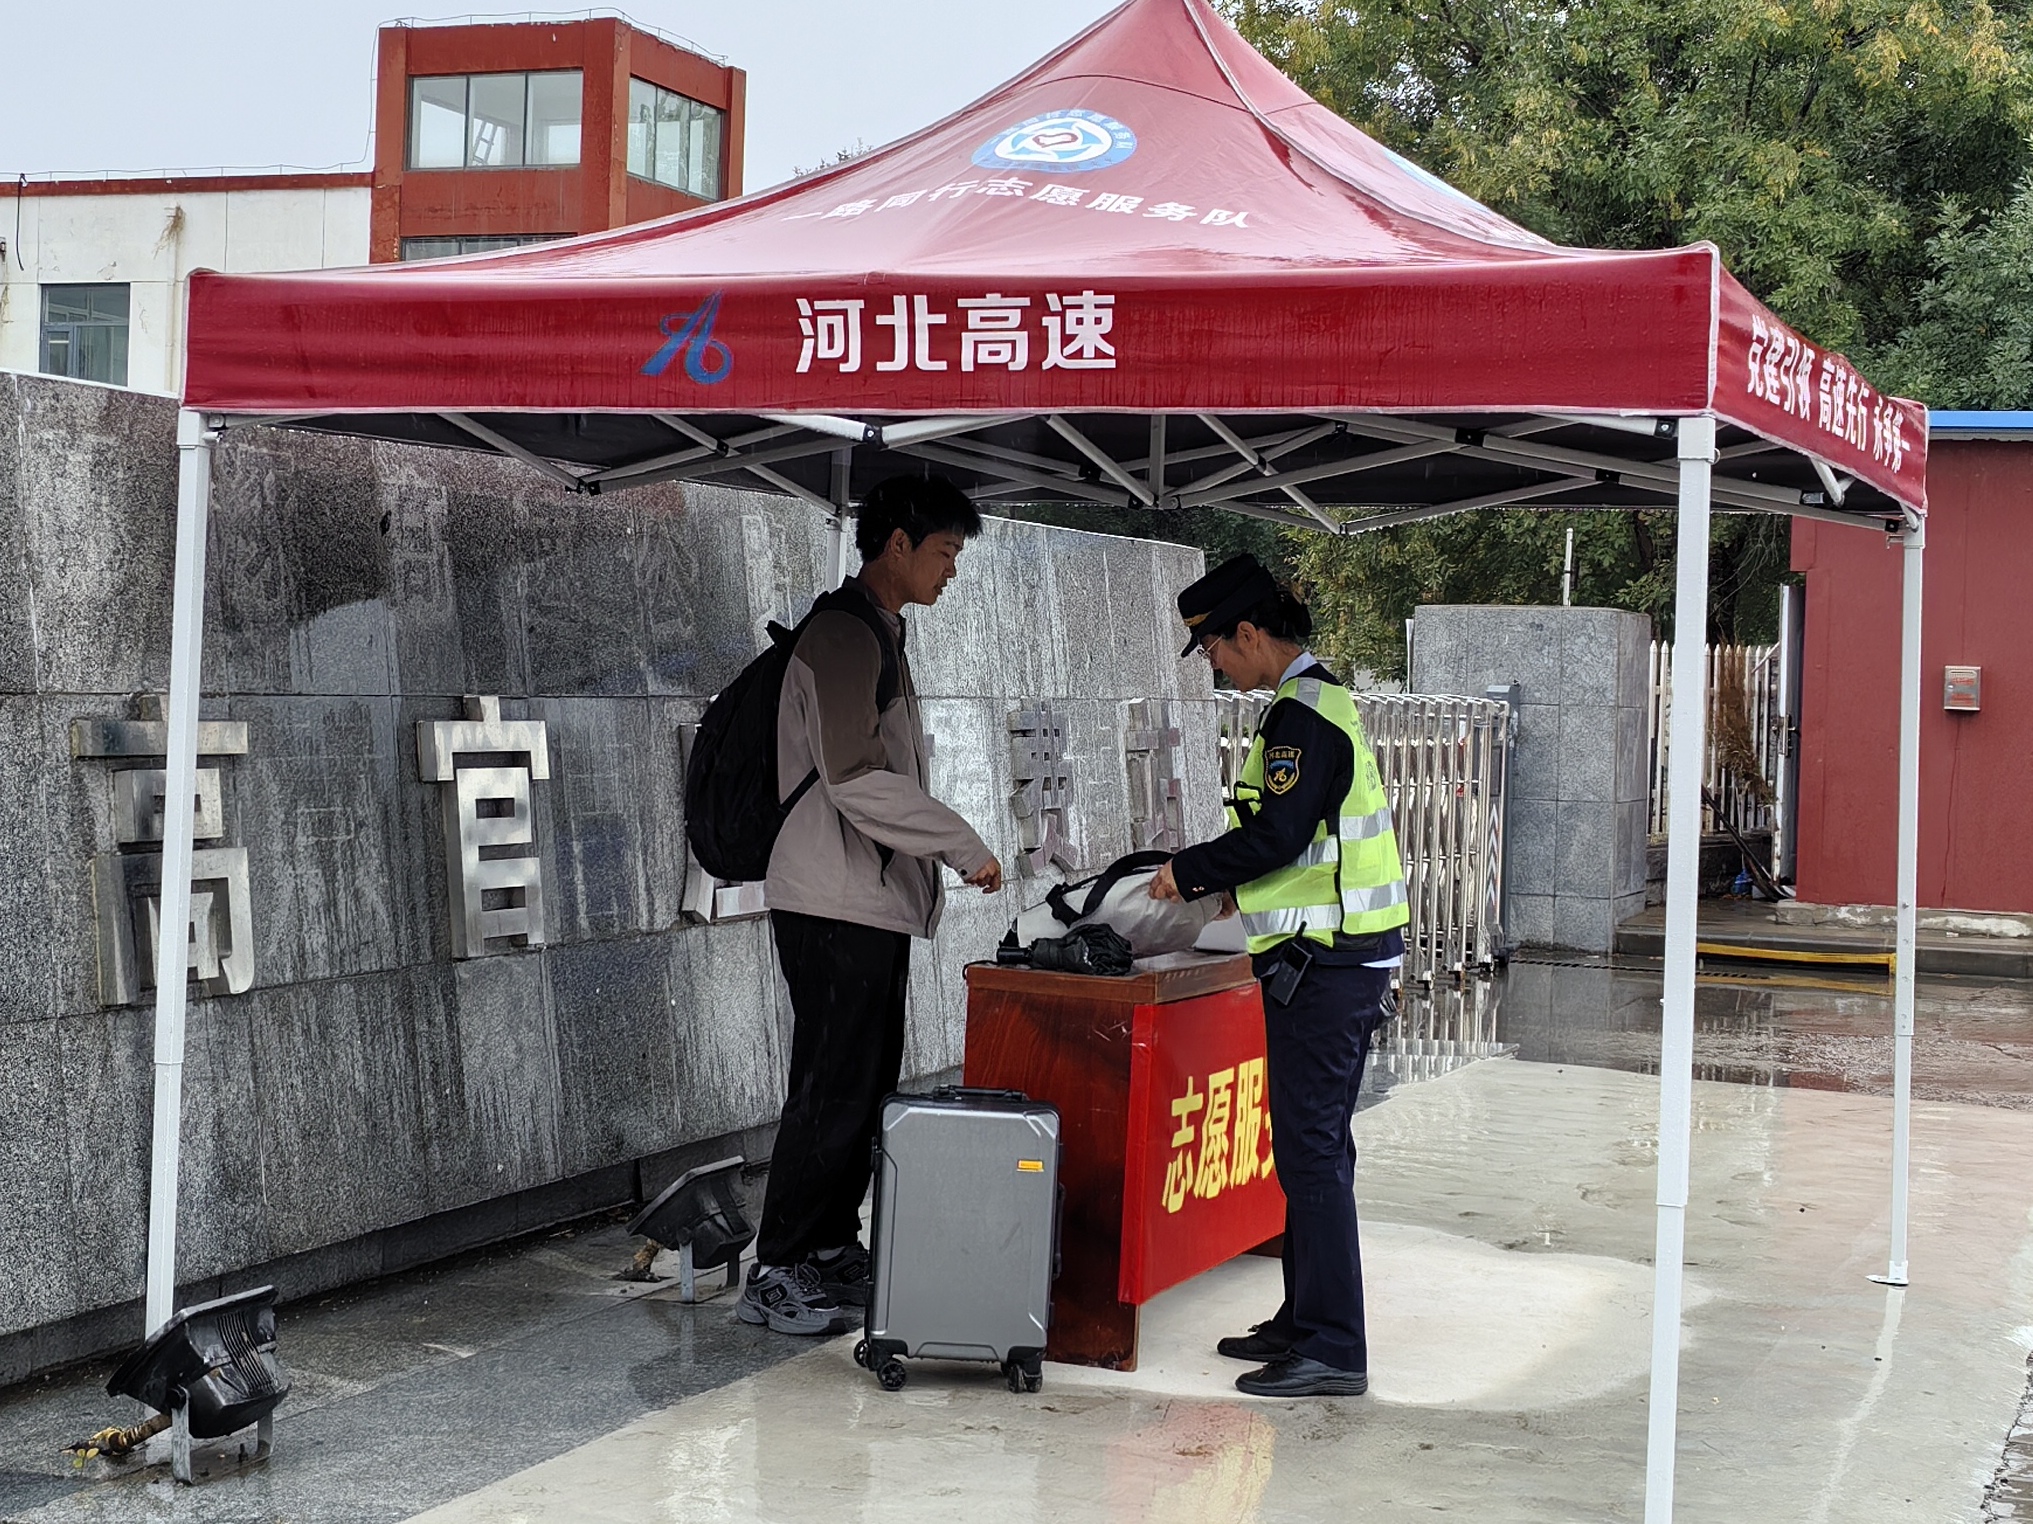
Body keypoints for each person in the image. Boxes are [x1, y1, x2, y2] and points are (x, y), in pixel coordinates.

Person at [740, 474, 1004, 1336]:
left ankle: (825, 1246)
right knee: (830, 1086)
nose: (950, 570)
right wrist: (960, 844)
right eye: (944, 551)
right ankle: (777, 1266)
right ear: (896, 544)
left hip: (865, 898)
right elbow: (854, 777)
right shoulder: (844, 636)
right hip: (831, 900)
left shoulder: (878, 630)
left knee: (860, 1084)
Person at [1150, 553, 1409, 1397]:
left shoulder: (1301, 716)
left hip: (1325, 960)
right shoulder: (1312, 705)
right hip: (1333, 954)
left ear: (1249, 634)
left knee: (1310, 1150)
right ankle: (1304, 1320)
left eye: (1215, 652)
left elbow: (1278, 836)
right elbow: (1300, 842)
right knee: (1311, 1145)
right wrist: (1235, 886)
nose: (1216, 668)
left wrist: (1190, 872)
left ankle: (1333, 1347)